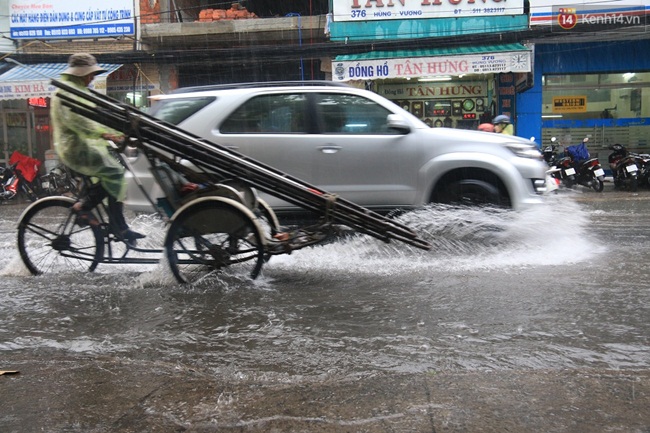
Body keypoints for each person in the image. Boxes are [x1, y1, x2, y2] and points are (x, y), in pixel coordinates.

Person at [51, 53, 145, 242]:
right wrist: (105, 134)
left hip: (87, 144)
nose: (92, 78)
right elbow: (78, 122)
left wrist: (116, 133)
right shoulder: (67, 91)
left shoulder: (79, 89)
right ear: (80, 73)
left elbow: (95, 118)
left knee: (118, 174)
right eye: (89, 74)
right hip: (76, 148)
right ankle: (84, 207)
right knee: (116, 174)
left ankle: (118, 225)